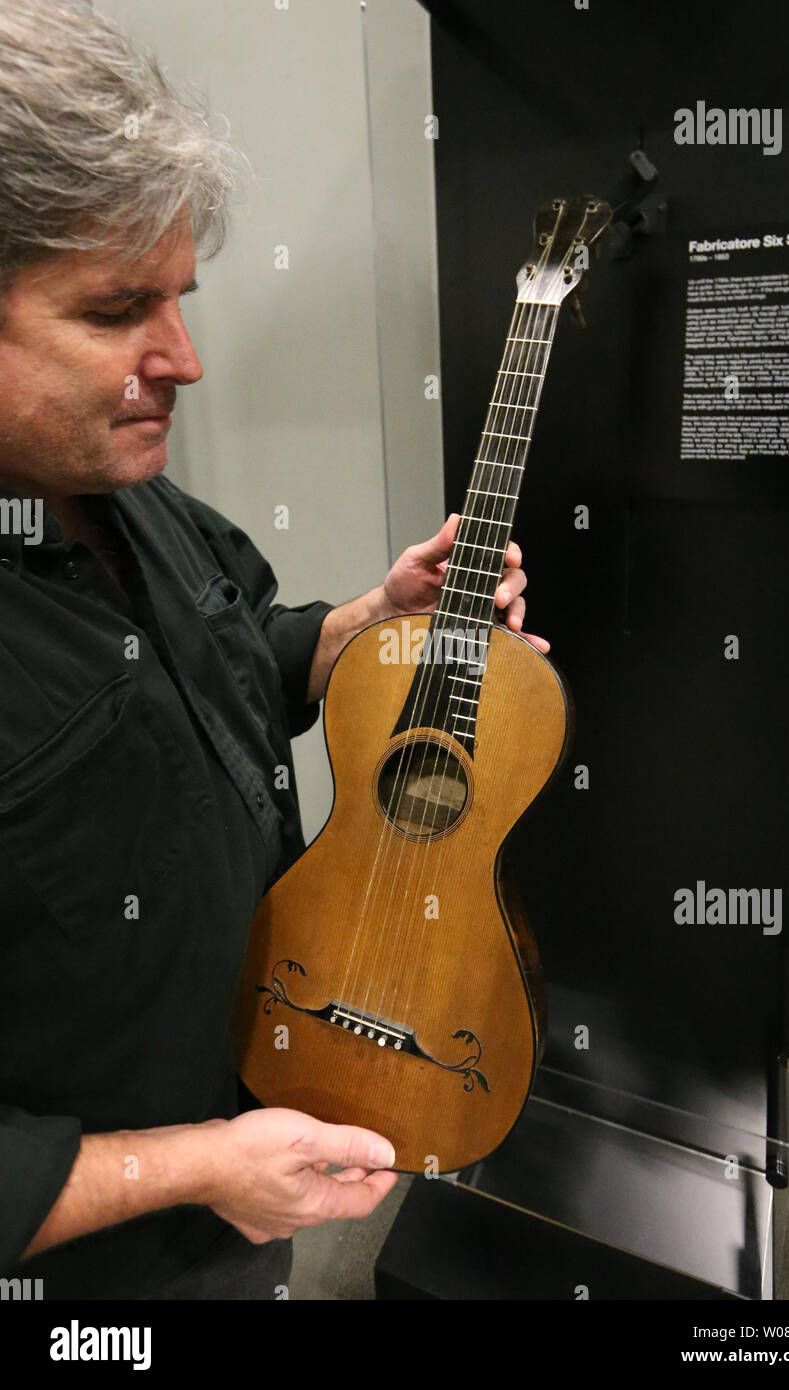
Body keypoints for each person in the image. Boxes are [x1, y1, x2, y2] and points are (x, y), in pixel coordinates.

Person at [0, 1, 547, 1299]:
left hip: (259, 1128)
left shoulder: (118, 484)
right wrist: (195, 1165)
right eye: (117, 308)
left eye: (181, 298)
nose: (184, 359)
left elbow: (236, 651)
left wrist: (364, 622)